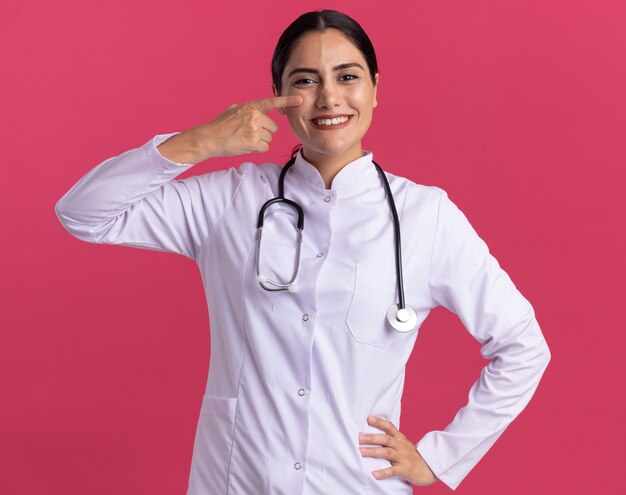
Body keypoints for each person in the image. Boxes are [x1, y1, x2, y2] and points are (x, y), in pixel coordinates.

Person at [55, 9, 551, 494]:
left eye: (347, 76)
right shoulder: (231, 199)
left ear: (375, 87)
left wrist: (440, 457)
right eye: (306, 81)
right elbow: (83, 214)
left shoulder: (426, 216)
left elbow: (523, 346)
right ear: (280, 97)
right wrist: (201, 141)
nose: (329, 97)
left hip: (355, 485)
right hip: (237, 480)